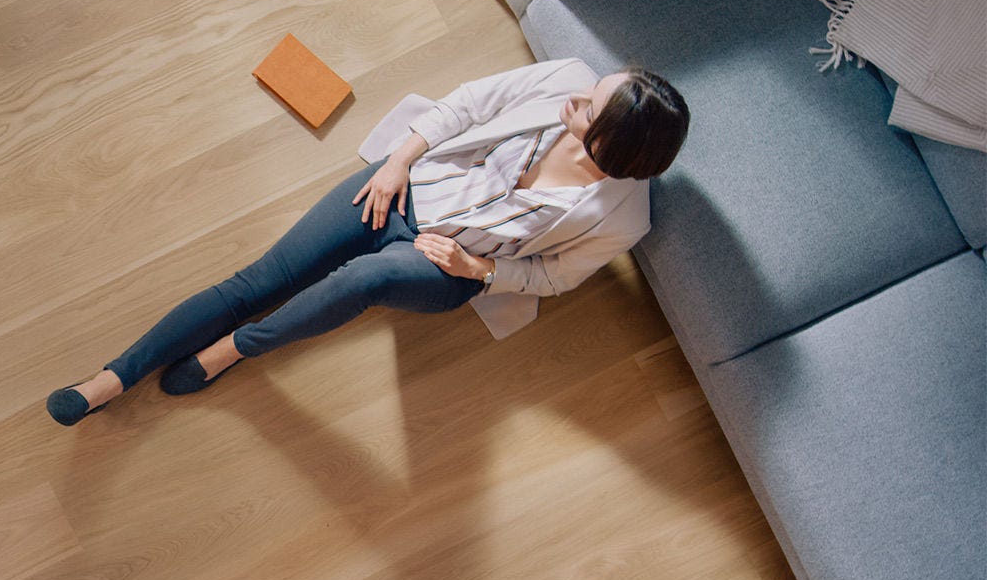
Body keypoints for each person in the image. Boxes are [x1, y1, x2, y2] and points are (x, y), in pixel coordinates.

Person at [46, 58, 689, 426]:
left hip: (447, 267)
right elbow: (464, 106)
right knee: (259, 282)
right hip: (401, 190)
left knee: (363, 281)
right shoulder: (565, 81)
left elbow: (554, 277)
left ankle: (236, 349)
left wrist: (481, 269)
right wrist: (399, 160)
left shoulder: (621, 218)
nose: (577, 95)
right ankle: (109, 380)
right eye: (591, 89)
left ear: (608, 145)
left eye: (589, 107)